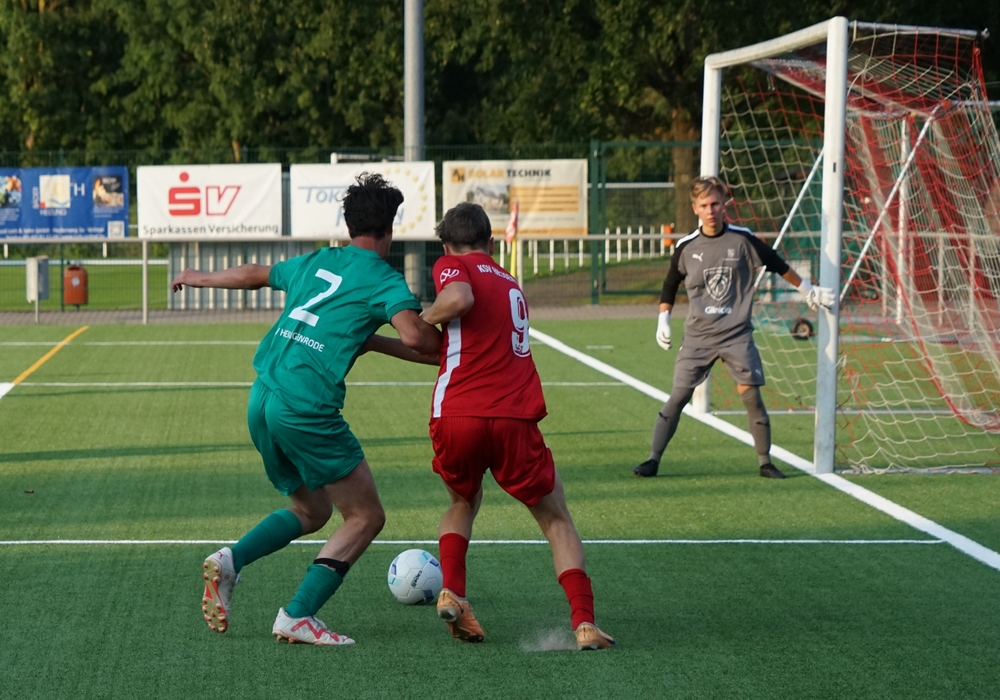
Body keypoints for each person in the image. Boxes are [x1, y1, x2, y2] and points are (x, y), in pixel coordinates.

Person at [170, 173, 441, 645]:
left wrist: (199, 277)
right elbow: (418, 338)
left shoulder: (319, 260)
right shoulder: (383, 278)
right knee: (366, 516)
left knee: (312, 509)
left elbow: (255, 275)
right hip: (305, 408)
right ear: (389, 230)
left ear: (350, 225)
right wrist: (446, 336)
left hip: (262, 399)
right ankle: (297, 615)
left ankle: (231, 561)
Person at [369, 202, 614, 650]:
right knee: (556, 519)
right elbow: (444, 347)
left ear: (446, 246)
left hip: (457, 414)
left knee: (462, 502)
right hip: (514, 416)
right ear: (492, 242)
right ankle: (584, 623)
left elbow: (457, 301)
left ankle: (453, 592)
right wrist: (378, 343)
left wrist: (418, 320)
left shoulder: (453, 266)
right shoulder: (510, 283)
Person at [633, 175, 834, 480]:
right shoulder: (686, 246)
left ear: (724, 204)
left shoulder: (742, 240)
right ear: (695, 208)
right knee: (679, 396)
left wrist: (807, 289)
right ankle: (652, 460)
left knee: (750, 395)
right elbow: (670, 284)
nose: (711, 210)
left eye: (715, 203)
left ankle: (765, 462)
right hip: (698, 337)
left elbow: (777, 263)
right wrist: (664, 319)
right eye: (704, 205)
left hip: (736, 335)